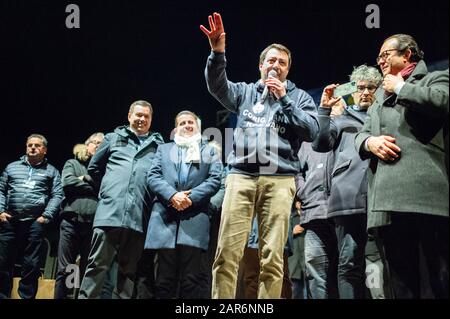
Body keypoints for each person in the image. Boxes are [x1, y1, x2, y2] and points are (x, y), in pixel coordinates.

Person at [200, 12, 319, 298]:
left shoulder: (299, 97)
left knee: (273, 259)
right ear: (261, 65)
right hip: (241, 176)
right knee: (227, 253)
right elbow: (217, 86)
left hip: (279, 180)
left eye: (282, 62)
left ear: (288, 69)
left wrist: (285, 100)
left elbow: (312, 130)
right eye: (271, 61)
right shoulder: (244, 92)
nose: (276, 66)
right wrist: (218, 53)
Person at [355, 34, 449, 299]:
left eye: (385, 55)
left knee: (439, 276)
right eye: (379, 57)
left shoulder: (436, 77)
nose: (381, 61)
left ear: (407, 55)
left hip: (427, 197)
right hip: (388, 201)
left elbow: (441, 102)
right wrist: (369, 142)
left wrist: (400, 88)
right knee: (401, 281)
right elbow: (360, 134)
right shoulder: (376, 99)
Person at [78, 100, 164, 299]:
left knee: (128, 273)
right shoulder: (112, 137)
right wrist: (109, 191)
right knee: (96, 267)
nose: (142, 119)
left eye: (146, 116)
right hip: (109, 213)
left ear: (151, 120)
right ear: (129, 116)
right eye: (138, 115)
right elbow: (94, 169)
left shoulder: (158, 145)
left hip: (138, 217)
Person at [314, 65, 383, 298]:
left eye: (370, 87)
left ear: (379, 89)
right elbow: (321, 143)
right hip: (348, 198)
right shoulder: (341, 118)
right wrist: (324, 110)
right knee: (349, 263)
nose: (364, 92)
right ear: (352, 91)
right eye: (360, 88)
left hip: (381, 196)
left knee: (380, 261)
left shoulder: (385, 114)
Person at [145, 110, 222, 299]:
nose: (187, 125)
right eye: (182, 123)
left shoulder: (209, 150)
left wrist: (190, 197)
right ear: (175, 129)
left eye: (191, 122)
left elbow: (215, 179)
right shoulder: (163, 149)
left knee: (191, 279)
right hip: (165, 218)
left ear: (198, 127)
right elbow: (153, 176)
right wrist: (173, 196)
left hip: (195, 218)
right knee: (163, 279)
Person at [0, 134, 63, 299]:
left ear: (44, 150)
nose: (33, 148)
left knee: (31, 264)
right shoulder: (12, 167)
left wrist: (45, 216)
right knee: (3, 261)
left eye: (37, 145)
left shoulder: (52, 171)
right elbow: (1, 190)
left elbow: (57, 195)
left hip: (35, 222)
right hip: (10, 221)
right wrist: (0, 212)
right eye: (30, 145)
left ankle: (26, 297)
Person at [54, 133, 104, 299]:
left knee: (87, 268)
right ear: (87, 144)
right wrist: (92, 186)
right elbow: (68, 183)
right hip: (71, 221)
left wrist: (84, 179)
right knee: (67, 268)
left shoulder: (103, 168)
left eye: (101, 144)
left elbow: (104, 190)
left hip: (93, 224)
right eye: (95, 142)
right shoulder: (73, 163)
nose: (97, 146)